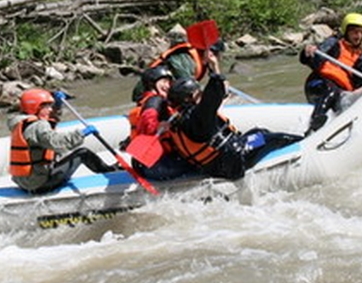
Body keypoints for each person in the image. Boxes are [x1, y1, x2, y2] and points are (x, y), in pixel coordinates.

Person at [165, 51, 302, 180]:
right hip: (231, 159)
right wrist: (214, 68)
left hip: (218, 162)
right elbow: (212, 96)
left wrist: (213, 68)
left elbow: (214, 96)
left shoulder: (181, 119)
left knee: (259, 132)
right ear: (188, 99)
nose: (200, 95)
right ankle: (304, 144)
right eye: (197, 93)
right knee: (274, 138)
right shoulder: (196, 117)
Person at [7, 88, 115, 194]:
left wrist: (57, 105)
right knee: (83, 153)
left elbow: (51, 120)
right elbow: (58, 143)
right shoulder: (39, 126)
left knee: (62, 154)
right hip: (40, 183)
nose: (50, 109)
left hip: (25, 182)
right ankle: (112, 173)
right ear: (36, 108)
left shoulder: (21, 122)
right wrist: (81, 134)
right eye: (47, 106)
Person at [298, 12, 362, 133]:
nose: (358, 36)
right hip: (318, 84)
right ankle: (314, 125)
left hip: (339, 92)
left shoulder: (359, 57)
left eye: (361, 32)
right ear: (346, 31)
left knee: (343, 99)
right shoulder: (334, 43)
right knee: (331, 91)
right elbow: (313, 59)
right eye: (354, 31)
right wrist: (308, 52)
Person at [125, 65, 194, 180]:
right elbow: (148, 120)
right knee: (199, 163)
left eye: (169, 82)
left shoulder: (149, 102)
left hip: (143, 164)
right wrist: (157, 127)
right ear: (152, 84)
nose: (168, 85)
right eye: (164, 82)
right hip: (156, 165)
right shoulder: (155, 101)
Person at [130, 24, 225, 102]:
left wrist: (215, 66)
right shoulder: (186, 59)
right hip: (147, 96)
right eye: (217, 54)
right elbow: (188, 89)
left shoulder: (203, 62)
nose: (218, 58)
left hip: (169, 93)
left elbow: (218, 83)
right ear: (209, 52)